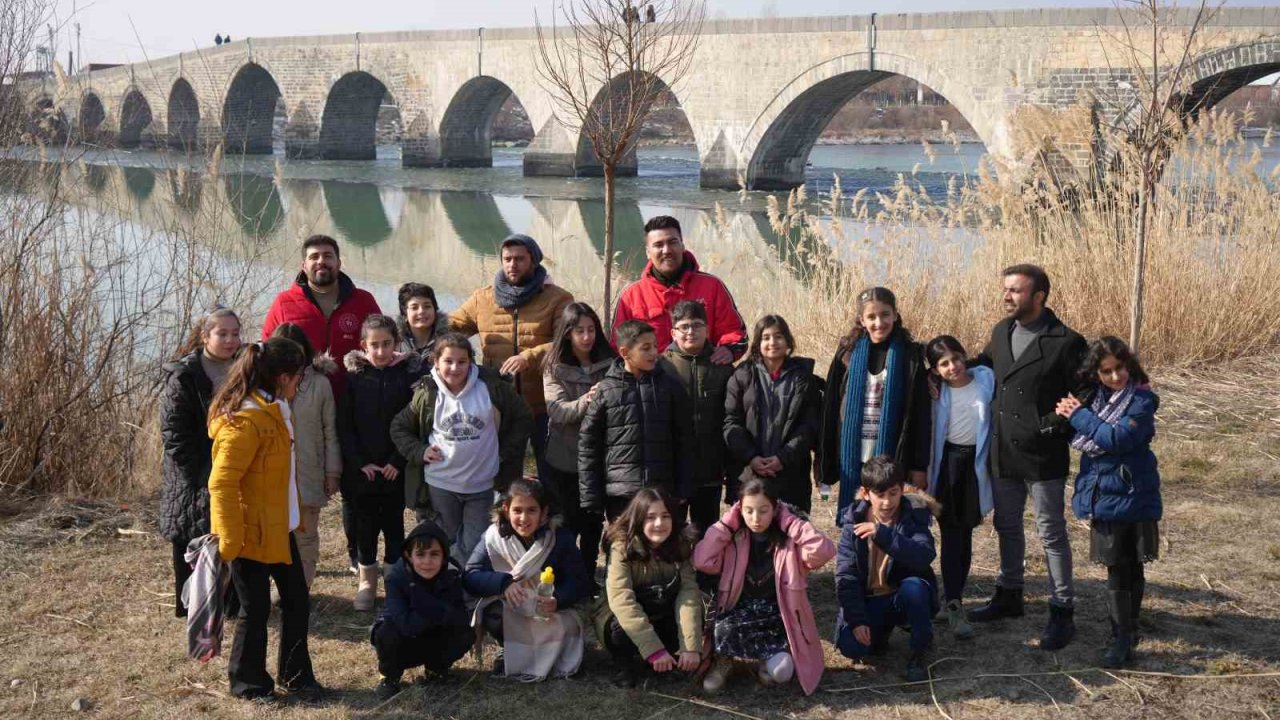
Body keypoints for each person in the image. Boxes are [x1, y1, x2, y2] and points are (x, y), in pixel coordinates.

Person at [966, 264, 1088, 652]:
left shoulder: (1066, 341)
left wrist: (1050, 426)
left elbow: (1085, 392)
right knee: (1006, 525)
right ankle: (1009, 595)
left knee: (1051, 532)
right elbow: (981, 367)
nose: (1007, 296)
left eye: (1016, 291)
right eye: (1006, 289)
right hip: (1003, 451)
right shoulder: (1001, 332)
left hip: (1042, 454)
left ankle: (1061, 610)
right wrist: (941, 368)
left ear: (1039, 297)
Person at [207, 337, 322, 701]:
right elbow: (221, 483)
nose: (301, 383)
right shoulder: (245, 419)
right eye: (299, 376)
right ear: (285, 377)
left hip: (278, 526)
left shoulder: (273, 406)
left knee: (296, 600)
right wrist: (228, 542)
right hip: (248, 534)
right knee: (254, 609)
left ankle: (296, 675)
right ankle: (248, 684)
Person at [261, 234, 381, 575]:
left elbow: (379, 342)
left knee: (354, 486)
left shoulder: (362, 300)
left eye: (328, 256)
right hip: (308, 407)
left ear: (339, 263)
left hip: (356, 404)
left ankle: (357, 554)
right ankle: (291, 554)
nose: (321, 262)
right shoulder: (286, 302)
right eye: (314, 256)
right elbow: (268, 350)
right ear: (304, 264)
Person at [1059, 337, 1162, 669]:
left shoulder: (1142, 401)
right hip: (1104, 493)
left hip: (1136, 491)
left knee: (1133, 564)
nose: (1116, 377)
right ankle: (1121, 635)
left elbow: (1116, 439)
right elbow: (1084, 432)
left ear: (1129, 365)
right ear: (1097, 373)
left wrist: (1079, 416)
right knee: (1117, 567)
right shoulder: (1095, 400)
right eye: (1107, 371)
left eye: (1120, 368)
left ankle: (1127, 633)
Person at [390, 332, 533, 565]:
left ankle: (466, 590)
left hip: (482, 485)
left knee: (475, 542)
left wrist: (503, 453)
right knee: (445, 539)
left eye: (462, 361)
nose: (455, 368)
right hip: (441, 484)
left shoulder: (490, 387)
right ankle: (446, 585)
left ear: (471, 361)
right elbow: (399, 427)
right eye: (448, 361)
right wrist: (420, 451)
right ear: (435, 362)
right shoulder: (427, 393)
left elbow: (523, 416)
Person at [693, 477, 835, 695]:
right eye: (748, 510)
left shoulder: (789, 541)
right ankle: (724, 660)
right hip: (739, 613)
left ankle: (764, 659)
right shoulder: (734, 537)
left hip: (778, 616)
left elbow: (823, 551)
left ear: (775, 509)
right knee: (723, 627)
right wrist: (726, 524)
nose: (756, 518)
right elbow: (702, 560)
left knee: (782, 673)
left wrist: (790, 522)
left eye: (763, 510)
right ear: (739, 510)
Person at [450, 233, 573, 482]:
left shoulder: (558, 298)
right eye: (507, 259)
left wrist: (529, 356)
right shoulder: (483, 298)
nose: (512, 265)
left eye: (519, 259)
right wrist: (423, 326)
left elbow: (568, 341)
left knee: (552, 474)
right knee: (504, 475)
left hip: (543, 403)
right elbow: (453, 327)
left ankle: (554, 519)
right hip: (499, 404)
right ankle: (505, 519)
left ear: (534, 261)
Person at [817, 287, 931, 524]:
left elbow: (920, 414)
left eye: (885, 314)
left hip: (893, 458)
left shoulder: (910, 355)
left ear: (895, 315)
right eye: (871, 317)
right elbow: (830, 407)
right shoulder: (847, 353)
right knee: (856, 523)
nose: (879, 322)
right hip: (854, 455)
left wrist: (919, 466)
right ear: (861, 319)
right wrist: (823, 464)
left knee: (889, 525)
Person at [464, 479, 590, 681]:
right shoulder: (492, 538)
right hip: (513, 607)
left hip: (549, 609)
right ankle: (508, 648)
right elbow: (470, 576)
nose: (524, 518)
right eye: (517, 510)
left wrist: (558, 599)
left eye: (532, 510)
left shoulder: (560, 538)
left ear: (544, 512)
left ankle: (553, 653)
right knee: (493, 614)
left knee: (569, 625)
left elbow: (580, 581)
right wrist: (503, 583)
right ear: (506, 509)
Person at [160, 308, 241, 617]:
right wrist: (207, 473)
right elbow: (175, 435)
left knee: (229, 537)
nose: (231, 340)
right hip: (193, 476)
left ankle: (230, 602)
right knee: (193, 539)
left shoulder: (244, 368)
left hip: (233, 470)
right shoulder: (184, 377)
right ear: (205, 336)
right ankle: (194, 604)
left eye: (235, 333)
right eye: (223, 334)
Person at [339, 315, 421, 611]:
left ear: (396, 343)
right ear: (363, 346)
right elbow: (344, 425)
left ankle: (394, 581)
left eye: (387, 344)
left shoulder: (406, 376)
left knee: (394, 527)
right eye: (374, 345)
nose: (381, 351)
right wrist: (360, 463)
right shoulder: (355, 378)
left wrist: (397, 461)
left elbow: (414, 423)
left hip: (394, 468)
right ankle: (367, 582)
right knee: (365, 528)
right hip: (363, 471)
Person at [833, 456, 940, 682]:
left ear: (902, 489)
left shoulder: (913, 514)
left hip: (900, 596)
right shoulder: (853, 523)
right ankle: (879, 634)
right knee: (851, 648)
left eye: (893, 493)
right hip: (871, 600)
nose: (887, 502)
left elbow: (924, 555)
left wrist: (882, 534)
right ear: (865, 493)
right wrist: (857, 620)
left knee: (915, 589)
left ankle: (919, 650)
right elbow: (846, 575)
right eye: (879, 495)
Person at [579, 320, 694, 522]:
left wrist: (684, 488)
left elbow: (685, 440)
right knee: (623, 549)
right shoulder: (607, 390)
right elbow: (589, 445)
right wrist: (591, 496)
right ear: (624, 352)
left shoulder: (670, 387)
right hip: (621, 494)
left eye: (655, 346)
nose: (653, 353)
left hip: (662, 491)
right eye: (645, 348)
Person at [594, 487, 703, 688]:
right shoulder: (621, 547)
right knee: (618, 630)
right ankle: (626, 666)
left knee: (691, 612)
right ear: (638, 520)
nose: (659, 524)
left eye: (665, 516)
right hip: (624, 616)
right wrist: (653, 649)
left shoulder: (681, 545)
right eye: (650, 517)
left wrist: (690, 646)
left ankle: (668, 661)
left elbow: (688, 595)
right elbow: (622, 600)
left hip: (662, 609)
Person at [924, 335, 995, 640]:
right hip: (947, 464)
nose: (952, 366)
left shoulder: (985, 380)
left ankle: (951, 597)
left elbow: (989, 363)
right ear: (935, 369)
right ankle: (953, 601)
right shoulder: (936, 393)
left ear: (965, 356)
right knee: (951, 533)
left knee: (964, 532)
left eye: (956, 358)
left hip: (975, 465)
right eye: (943, 363)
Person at [542, 302, 617, 589]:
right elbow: (558, 411)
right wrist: (588, 399)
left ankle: (588, 577)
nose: (586, 337)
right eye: (579, 331)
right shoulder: (554, 367)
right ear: (567, 334)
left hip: (601, 457)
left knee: (593, 521)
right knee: (567, 520)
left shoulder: (610, 362)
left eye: (591, 330)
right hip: (565, 458)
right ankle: (563, 576)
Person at [611, 216, 746, 364]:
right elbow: (617, 347)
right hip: (651, 381)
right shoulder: (631, 296)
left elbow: (734, 332)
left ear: (682, 245)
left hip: (702, 377)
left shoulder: (712, 286)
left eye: (672, 242)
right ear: (648, 252)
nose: (667, 250)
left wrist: (728, 349)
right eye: (658, 245)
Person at [723, 314, 823, 514]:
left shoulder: (803, 378)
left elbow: (810, 427)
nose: (772, 342)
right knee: (751, 538)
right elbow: (730, 422)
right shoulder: (742, 375)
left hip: (791, 474)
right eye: (766, 337)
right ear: (758, 342)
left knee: (790, 537)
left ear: (788, 341)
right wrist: (751, 457)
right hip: (749, 474)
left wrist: (783, 458)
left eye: (778, 336)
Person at [269, 323, 341, 588]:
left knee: (306, 534)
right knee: (277, 532)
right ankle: (280, 586)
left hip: (309, 471)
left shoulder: (320, 384)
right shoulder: (264, 384)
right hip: (273, 475)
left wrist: (333, 472)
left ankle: (302, 588)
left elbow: (330, 429)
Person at [371, 520, 474, 700]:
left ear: (444, 556)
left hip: (432, 632)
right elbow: (404, 623)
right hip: (405, 637)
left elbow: (458, 618)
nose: (427, 562)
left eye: (434, 554)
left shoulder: (452, 574)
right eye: (420, 554)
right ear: (409, 556)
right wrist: (436, 608)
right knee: (386, 633)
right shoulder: (395, 577)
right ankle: (390, 676)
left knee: (465, 633)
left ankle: (436, 669)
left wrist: (426, 607)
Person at [657, 300, 733, 534]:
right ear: (673, 332)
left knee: (707, 532)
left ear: (707, 329)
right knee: (671, 531)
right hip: (671, 470)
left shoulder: (722, 366)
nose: (691, 332)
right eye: (684, 326)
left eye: (697, 325)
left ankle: (706, 572)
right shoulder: (660, 367)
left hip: (709, 468)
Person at [396, 282, 448, 363]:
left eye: (427, 306)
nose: (421, 311)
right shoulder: (393, 342)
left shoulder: (450, 342)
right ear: (404, 313)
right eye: (414, 307)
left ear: (435, 309)